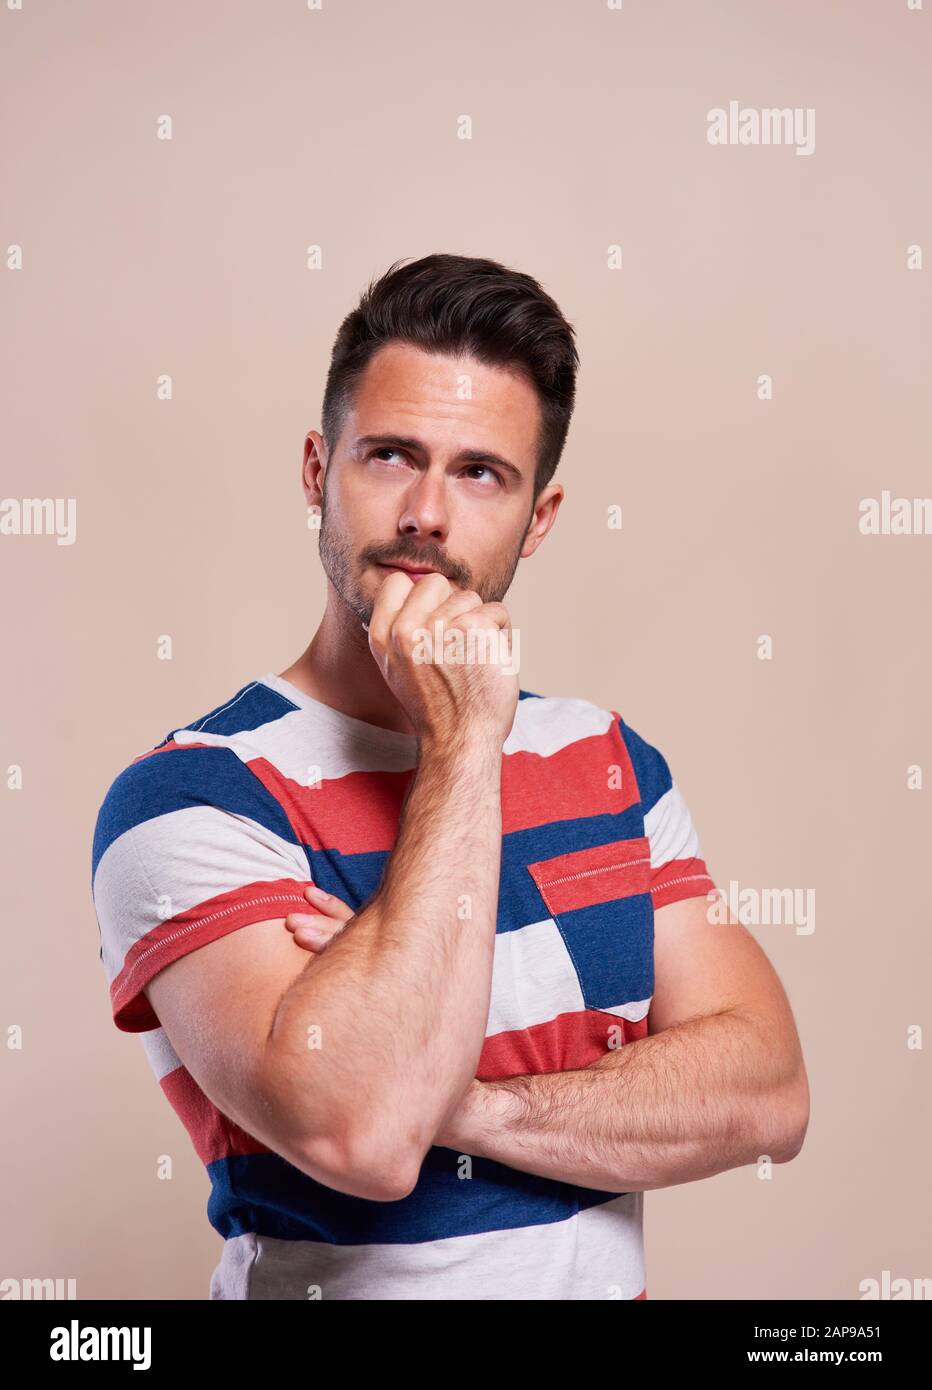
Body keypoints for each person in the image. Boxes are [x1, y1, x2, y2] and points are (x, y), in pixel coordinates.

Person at [91, 252, 809, 1300]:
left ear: (540, 518)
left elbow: (766, 1096)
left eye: (481, 473)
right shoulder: (194, 793)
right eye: (389, 455)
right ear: (314, 470)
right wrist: (466, 739)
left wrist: (462, 1100)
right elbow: (368, 1132)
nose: (427, 512)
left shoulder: (606, 761)